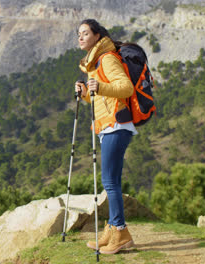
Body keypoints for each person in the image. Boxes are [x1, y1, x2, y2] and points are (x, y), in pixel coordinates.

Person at [75, 19, 137, 254]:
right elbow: (100, 98)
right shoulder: (93, 63)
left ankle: (120, 232)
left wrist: (99, 87)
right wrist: (85, 94)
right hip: (107, 125)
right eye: (78, 34)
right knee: (111, 181)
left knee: (110, 182)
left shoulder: (107, 58)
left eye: (85, 33)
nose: (80, 37)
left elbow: (125, 88)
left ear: (97, 36)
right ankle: (113, 230)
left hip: (116, 125)